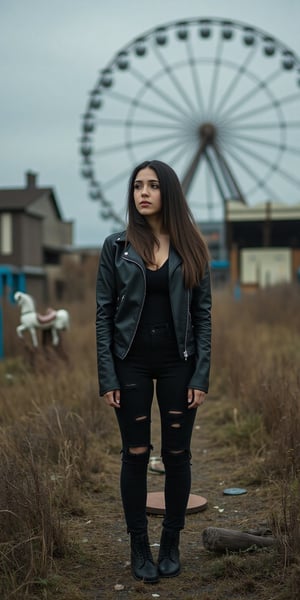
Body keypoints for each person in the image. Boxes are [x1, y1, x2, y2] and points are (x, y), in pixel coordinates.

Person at [96, 160, 211, 584]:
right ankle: (139, 546)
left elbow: (204, 317)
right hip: (131, 363)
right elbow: (103, 315)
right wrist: (107, 376)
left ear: (170, 193)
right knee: (136, 454)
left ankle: (172, 542)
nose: (142, 192)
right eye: (137, 186)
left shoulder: (193, 247)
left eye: (153, 186)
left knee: (178, 454)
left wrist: (201, 375)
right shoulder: (115, 247)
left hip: (179, 362)